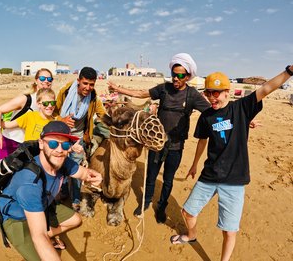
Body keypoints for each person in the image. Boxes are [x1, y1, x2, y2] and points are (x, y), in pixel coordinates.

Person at [170, 65, 293, 261]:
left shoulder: (241, 108)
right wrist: (194, 164)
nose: (212, 97)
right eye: (208, 93)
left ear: (227, 93)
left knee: (229, 230)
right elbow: (202, 141)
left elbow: (267, 88)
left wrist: (289, 71)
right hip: (209, 175)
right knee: (188, 212)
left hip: (234, 180)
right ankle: (191, 236)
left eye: (216, 93)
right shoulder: (206, 117)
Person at [108, 53, 211, 222]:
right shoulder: (164, 89)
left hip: (176, 146)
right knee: (151, 175)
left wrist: (241, 119)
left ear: (187, 76)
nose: (176, 79)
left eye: (180, 76)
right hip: (157, 143)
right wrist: (119, 89)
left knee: (168, 180)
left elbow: (211, 112)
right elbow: (142, 93)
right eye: (174, 74)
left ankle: (161, 206)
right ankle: (146, 202)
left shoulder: (192, 95)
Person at [0, 121, 103, 261]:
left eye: (65, 145)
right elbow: (39, 236)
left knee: (75, 220)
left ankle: (47, 234)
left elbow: (83, 173)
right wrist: (42, 238)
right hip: (16, 218)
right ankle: (30, 237)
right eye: (53, 144)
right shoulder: (30, 183)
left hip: (42, 204)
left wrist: (94, 176)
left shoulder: (62, 160)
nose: (59, 150)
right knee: (41, 249)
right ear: (41, 144)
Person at [55, 67, 107, 210]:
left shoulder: (93, 97)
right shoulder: (65, 92)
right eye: (85, 83)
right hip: (62, 134)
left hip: (78, 137)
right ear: (78, 81)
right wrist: (62, 119)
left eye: (91, 84)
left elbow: (102, 114)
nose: (88, 88)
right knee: (61, 165)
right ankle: (63, 190)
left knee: (76, 166)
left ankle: (76, 197)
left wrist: (116, 123)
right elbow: (52, 113)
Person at [0, 68, 54, 159]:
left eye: (49, 79)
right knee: (6, 172)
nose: (46, 81)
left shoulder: (50, 102)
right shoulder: (26, 99)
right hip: (11, 141)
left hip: (29, 145)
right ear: (36, 80)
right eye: (42, 78)